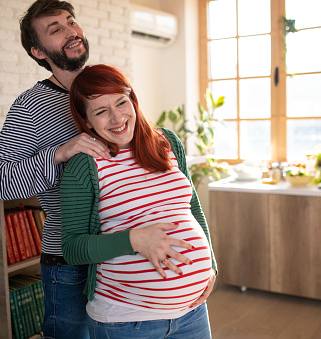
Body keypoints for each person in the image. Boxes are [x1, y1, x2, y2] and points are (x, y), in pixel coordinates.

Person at [0, 1, 192, 338]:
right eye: (55, 29)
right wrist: (61, 152)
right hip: (71, 262)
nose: (71, 31)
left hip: (125, 255)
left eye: (71, 22)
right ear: (37, 50)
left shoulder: (105, 88)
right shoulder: (31, 107)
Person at [60, 64, 218, 339]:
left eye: (121, 102)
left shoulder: (167, 142)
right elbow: (72, 248)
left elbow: (192, 207)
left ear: (133, 99)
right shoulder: (84, 166)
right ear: (86, 121)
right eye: (100, 111)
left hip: (192, 313)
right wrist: (133, 240)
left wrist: (210, 266)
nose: (117, 117)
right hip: (127, 322)